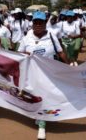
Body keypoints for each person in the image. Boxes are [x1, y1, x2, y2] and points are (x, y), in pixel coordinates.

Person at [18, 11, 68, 140]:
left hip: (49, 73)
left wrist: (67, 67)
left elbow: (60, 52)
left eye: (41, 22)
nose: (38, 25)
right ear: (32, 23)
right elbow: (19, 54)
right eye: (36, 22)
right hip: (32, 74)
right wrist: (25, 54)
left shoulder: (51, 36)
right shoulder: (27, 37)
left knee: (45, 97)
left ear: (45, 23)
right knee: (35, 97)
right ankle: (39, 117)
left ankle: (42, 125)